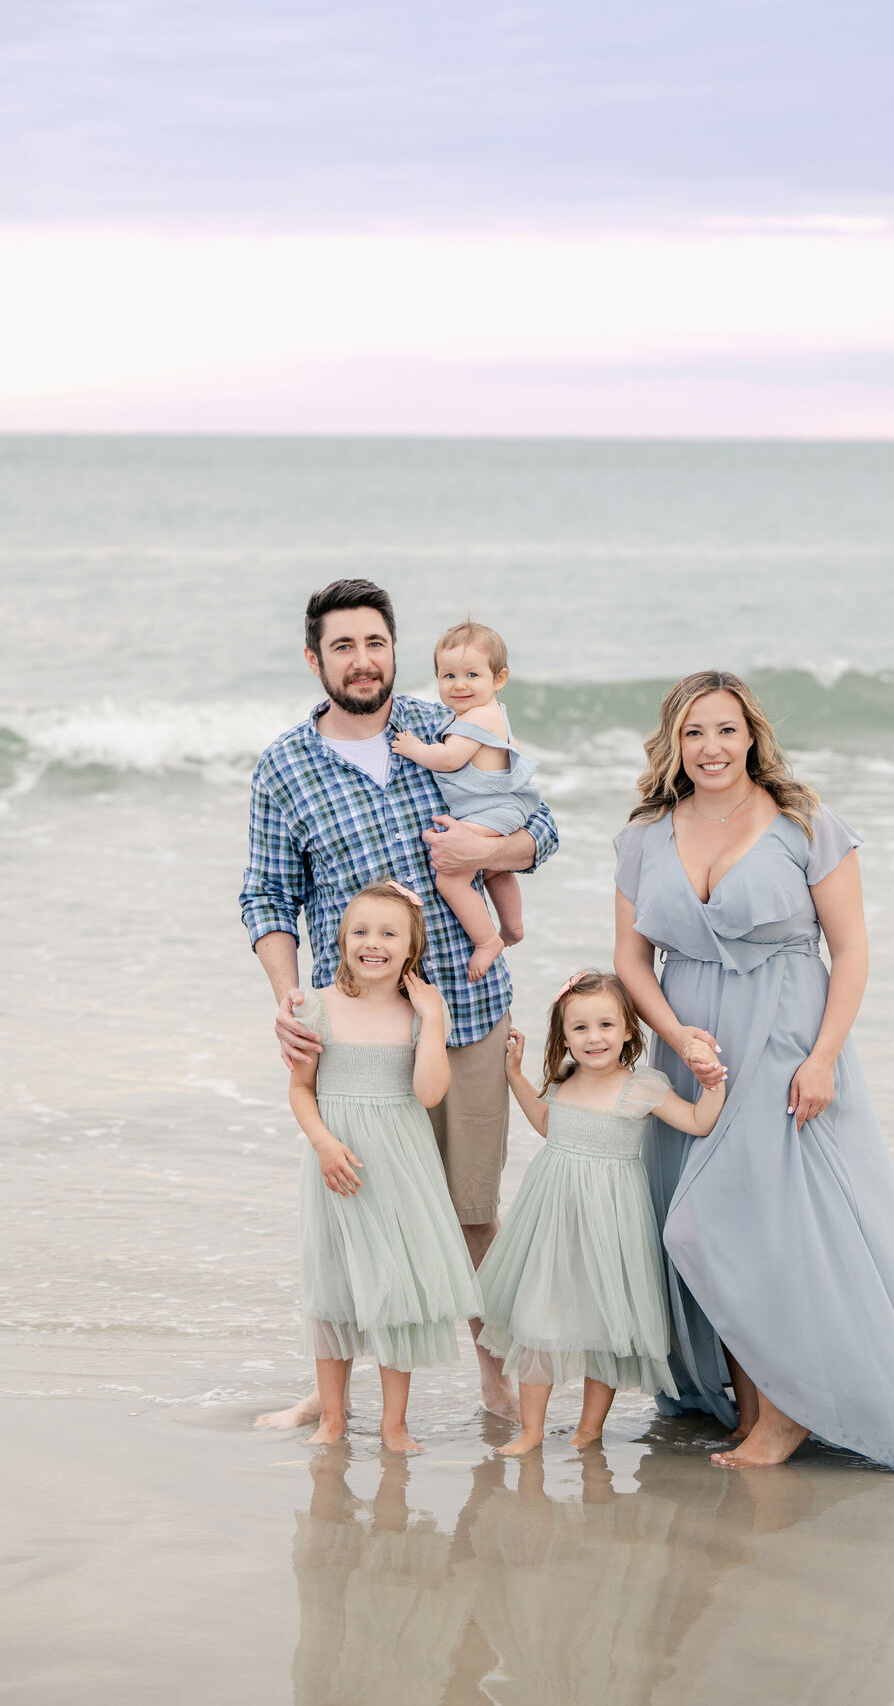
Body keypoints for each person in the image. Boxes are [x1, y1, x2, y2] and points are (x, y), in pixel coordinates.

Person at [613, 670, 894, 1474]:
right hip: (692, 1049)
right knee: (716, 1233)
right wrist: (676, 1035)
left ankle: (791, 1411)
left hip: (785, 1036)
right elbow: (632, 959)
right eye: (695, 732)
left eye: (726, 729)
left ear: (752, 735)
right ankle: (752, 1404)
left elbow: (852, 948)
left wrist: (825, 1055)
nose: (711, 747)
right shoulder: (643, 835)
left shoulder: (804, 823)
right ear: (674, 742)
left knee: (739, 1224)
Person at [240, 578, 559, 1426]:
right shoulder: (284, 767)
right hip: (357, 1039)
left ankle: (493, 1371)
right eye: (342, 646)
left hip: (468, 1007)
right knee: (359, 1212)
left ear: (392, 649)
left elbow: (542, 828)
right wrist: (287, 999)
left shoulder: (443, 724)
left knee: (472, 1210)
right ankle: (333, 1386)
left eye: (374, 642)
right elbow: (268, 897)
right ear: (315, 660)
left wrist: (494, 844)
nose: (362, 659)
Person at [477, 970, 727, 1457]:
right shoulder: (564, 1080)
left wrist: (713, 1083)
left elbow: (697, 1122)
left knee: (603, 1324)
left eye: (606, 1025)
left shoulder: (642, 1087)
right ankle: (530, 1432)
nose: (594, 1038)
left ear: (630, 1030)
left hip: (611, 1220)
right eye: (581, 1028)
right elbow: (548, 1126)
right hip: (552, 1217)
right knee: (538, 1320)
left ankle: (589, 1430)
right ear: (564, 1036)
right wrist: (514, 1076)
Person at [288, 882, 483, 1451]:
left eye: (388, 933)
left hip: (398, 1165)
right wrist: (323, 1143)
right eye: (361, 932)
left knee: (395, 1288)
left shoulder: (417, 1013)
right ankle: (332, 1418)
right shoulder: (315, 1006)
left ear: (410, 947)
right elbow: (301, 1091)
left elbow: (429, 1093)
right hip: (336, 1164)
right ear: (342, 939)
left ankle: (394, 1425)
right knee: (334, 1288)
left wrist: (434, 1016)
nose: (373, 943)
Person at [391, 619, 540, 982]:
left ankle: (488, 940)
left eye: (472, 675)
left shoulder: (477, 717)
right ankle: (513, 926)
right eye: (448, 676)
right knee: (493, 867)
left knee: (450, 878)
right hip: (503, 805)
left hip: (492, 810)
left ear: (499, 679)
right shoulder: (491, 712)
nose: (459, 685)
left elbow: (448, 759)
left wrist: (414, 748)